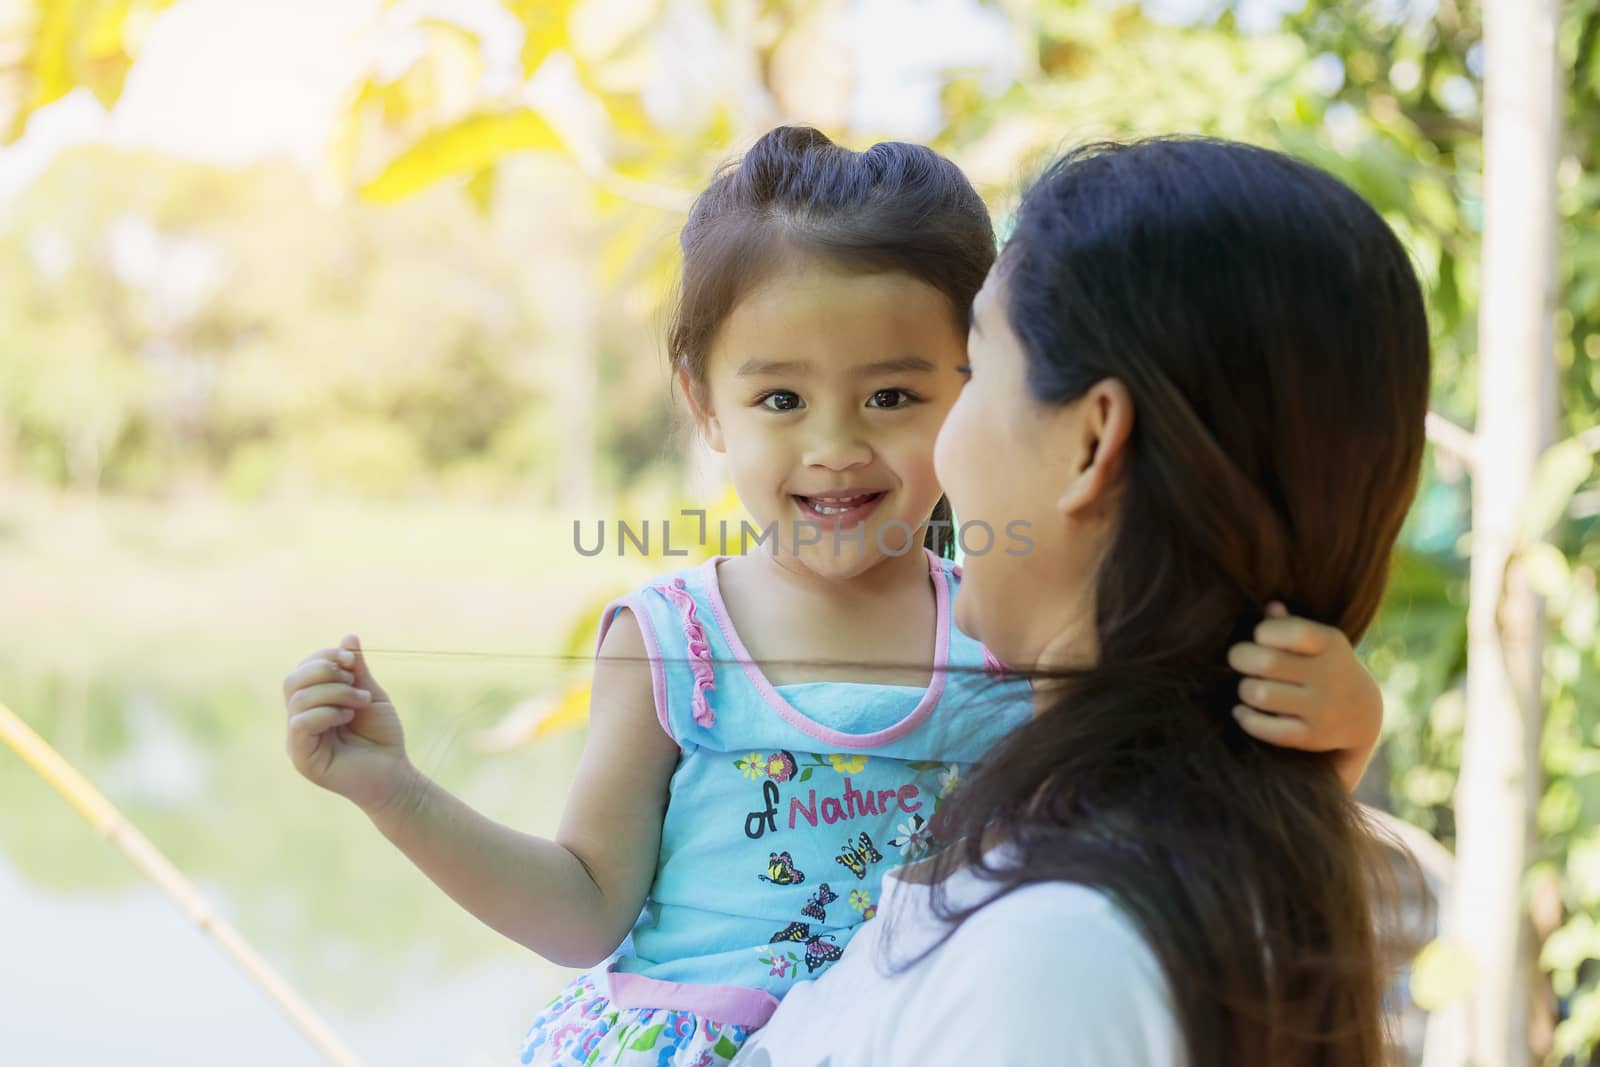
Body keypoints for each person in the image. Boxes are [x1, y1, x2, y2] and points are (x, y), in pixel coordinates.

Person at [278, 129, 1386, 1067]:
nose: (835, 445)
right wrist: (394, 790)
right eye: (778, 397)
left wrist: (1333, 738)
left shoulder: (1011, 640)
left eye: (894, 393)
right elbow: (580, 906)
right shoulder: (678, 642)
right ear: (703, 405)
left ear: (972, 388)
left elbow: (1177, 786)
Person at [733, 136, 1432, 1067]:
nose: (934, 451)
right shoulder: (1198, 851)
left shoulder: (1057, 962)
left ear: (1092, 440)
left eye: (975, 373)